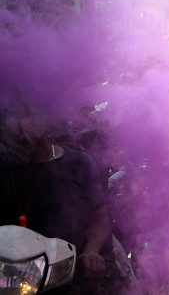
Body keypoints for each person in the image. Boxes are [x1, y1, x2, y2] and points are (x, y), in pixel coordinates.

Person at [0, 107, 112, 293]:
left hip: (69, 278)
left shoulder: (78, 163)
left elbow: (99, 218)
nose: (20, 125)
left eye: (28, 114)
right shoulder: (4, 168)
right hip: (13, 282)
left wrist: (91, 252)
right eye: (12, 116)